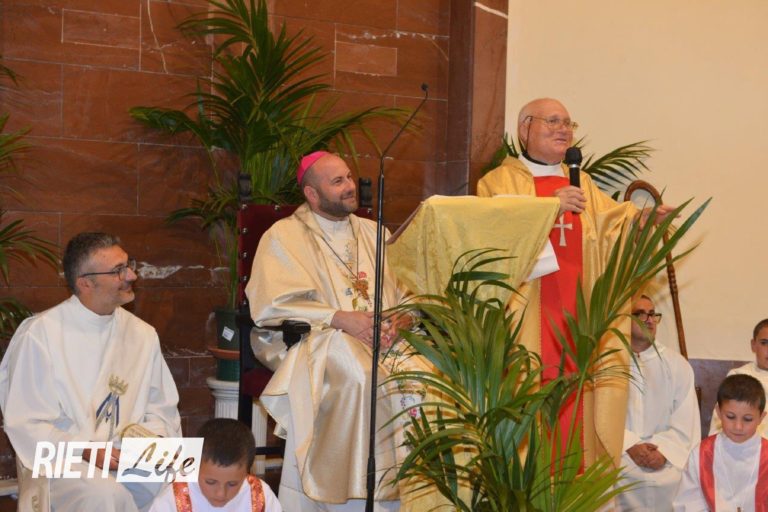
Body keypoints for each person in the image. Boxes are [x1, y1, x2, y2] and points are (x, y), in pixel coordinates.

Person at [476, 97, 674, 466]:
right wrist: (549, 206)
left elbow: (610, 226)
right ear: (525, 128)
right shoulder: (498, 181)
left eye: (568, 123)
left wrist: (640, 221)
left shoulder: (581, 181)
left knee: (576, 402)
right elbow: (492, 235)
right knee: (529, 399)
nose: (563, 130)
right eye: (553, 121)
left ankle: (577, 484)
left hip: (577, 319)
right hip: (527, 319)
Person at [246, 151, 423, 511]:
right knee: (361, 376)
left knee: (425, 375)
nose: (349, 186)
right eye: (337, 181)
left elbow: (408, 292)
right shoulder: (283, 237)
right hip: (317, 338)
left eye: (349, 177)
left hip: (384, 340)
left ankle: (407, 492)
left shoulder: (376, 234)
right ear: (311, 194)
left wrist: (400, 320)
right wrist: (340, 318)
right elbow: (271, 304)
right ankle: (349, 495)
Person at [0, 232, 182, 512]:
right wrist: (87, 449)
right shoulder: (41, 334)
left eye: (129, 264)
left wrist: (144, 443)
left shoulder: (143, 335)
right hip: (65, 459)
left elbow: (161, 409)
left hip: (124, 456)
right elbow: (26, 422)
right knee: (104, 494)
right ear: (85, 282)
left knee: (181, 482)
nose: (132, 275)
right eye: (118, 270)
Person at [616, 295, 700, 511]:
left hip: (666, 457)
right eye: (640, 314)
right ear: (623, 319)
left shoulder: (677, 365)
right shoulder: (610, 361)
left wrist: (664, 452)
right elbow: (603, 418)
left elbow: (686, 422)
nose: (649, 320)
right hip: (621, 453)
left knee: (676, 481)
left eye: (653, 314)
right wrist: (630, 444)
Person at [673, 374, 768, 511]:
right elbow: (688, 503)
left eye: (747, 419)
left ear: (761, 417)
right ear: (718, 412)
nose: (738, 426)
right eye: (730, 417)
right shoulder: (702, 454)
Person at [148, 418, 281, 512]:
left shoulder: (261, 497)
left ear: (247, 472)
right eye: (210, 482)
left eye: (232, 484)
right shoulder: (172, 500)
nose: (220, 494)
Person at [709, 318, 768, 438]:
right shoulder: (738, 376)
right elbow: (720, 425)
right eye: (764, 343)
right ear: (753, 345)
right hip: (744, 447)